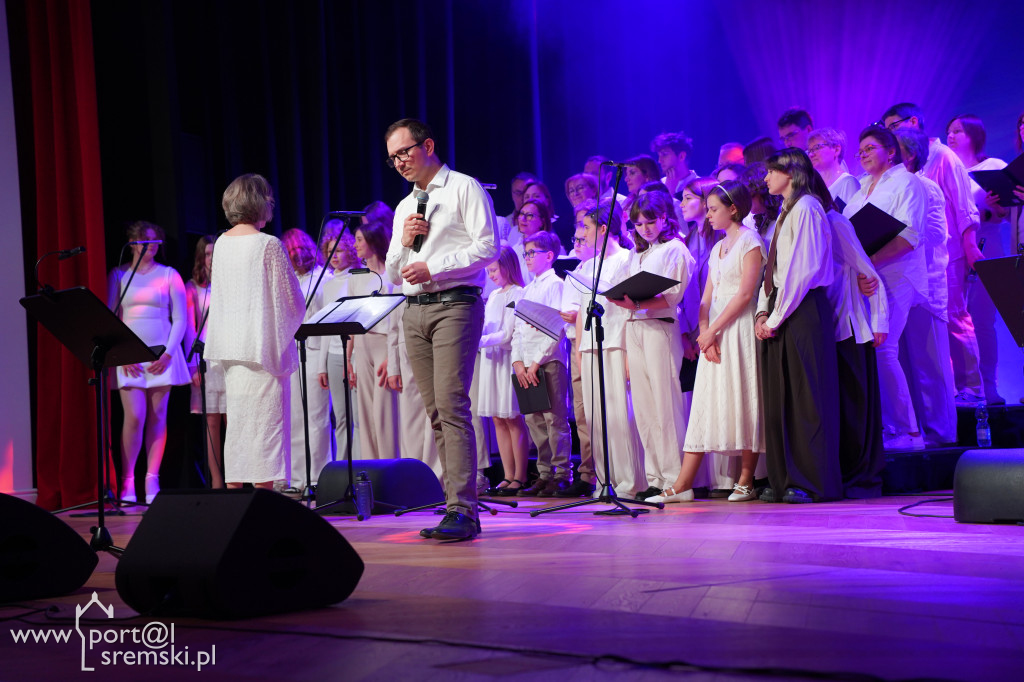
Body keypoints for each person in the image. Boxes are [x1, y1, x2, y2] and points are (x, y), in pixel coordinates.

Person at [384, 118, 498, 540]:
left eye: (405, 152)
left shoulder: (464, 187)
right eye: (392, 157)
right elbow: (394, 273)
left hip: (455, 305)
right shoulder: (404, 207)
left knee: (452, 404)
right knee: (435, 411)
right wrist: (407, 242)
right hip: (414, 311)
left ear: (427, 144)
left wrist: (434, 265)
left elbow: (489, 247)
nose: (399, 163)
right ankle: (454, 504)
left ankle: (464, 510)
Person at [648, 180, 765, 503]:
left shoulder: (750, 242)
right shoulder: (717, 248)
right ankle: (682, 483)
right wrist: (705, 332)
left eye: (714, 209)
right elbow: (705, 298)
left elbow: (745, 294)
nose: (709, 215)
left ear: (733, 209)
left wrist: (713, 330)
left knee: (744, 397)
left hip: (738, 328)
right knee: (704, 404)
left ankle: (746, 479)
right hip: (714, 331)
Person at [205, 174, 305, 490]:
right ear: (260, 202)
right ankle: (263, 508)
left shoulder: (221, 243)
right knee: (266, 432)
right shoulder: (267, 244)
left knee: (238, 431)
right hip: (262, 352)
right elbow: (290, 300)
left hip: (231, 350)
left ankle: (235, 503)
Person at [883, 103, 984, 405]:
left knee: (955, 316)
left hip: (949, 253)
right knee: (932, 327)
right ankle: (949, 390)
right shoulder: (903, 165)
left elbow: (964, 205)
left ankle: (973, 388)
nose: (889, 134)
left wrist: (970, 246)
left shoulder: (943, 156)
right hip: (918, 259)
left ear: (913, 121)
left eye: (892, 126)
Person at [755, 148, 840, 503]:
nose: (765, 179)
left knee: (806, 396)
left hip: (801, 309)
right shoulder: (786, 212)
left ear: (790, 173)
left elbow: (801, 271)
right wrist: (763, 311)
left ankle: (809, 480)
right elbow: (773, 271)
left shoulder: (806, 207)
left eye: (771, 172)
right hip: (782, 307)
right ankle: (782, 477)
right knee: (781, 397)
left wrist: (774, 316)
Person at [842, 127, 929, 451]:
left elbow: (909, 236)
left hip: (896, 273)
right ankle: (887, 427)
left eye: (870, 148)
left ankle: (908, 431)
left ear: (890, 151)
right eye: (860, 150)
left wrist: (871, 262)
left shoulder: (906, 181)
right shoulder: (861, 186)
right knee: (872, 349)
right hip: (868, 276)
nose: (863, 154)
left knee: (885, 347)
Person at [609, 191, 694, 500]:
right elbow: (617, 288)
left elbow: (672, 296)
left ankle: (677, 481)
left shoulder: (675, 249)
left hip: (660, 327)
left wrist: (637, 303)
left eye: (650, 222)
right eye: (638, 223)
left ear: (664, 219)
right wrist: (620, 298)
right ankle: (655, 477)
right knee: (644, 407)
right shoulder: (635, 253)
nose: (644, 229)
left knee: (664, 404)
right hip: (634, 326)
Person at [811, 172, 889, 498]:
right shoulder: (809, 225)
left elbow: (865, 269)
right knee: (841, 407)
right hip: (827, 326)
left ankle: (862, 476)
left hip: (850, 325)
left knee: (856, 407)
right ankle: (846, 473)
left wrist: (880, 320)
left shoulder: (835, 221)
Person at [107, 221, 190, 503]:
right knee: (134, 417)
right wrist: (122, 353)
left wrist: (168, 353)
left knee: (158, 417)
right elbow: (111, 315)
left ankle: (151, 479)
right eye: (145, 240)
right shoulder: (119, 275)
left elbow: (180, 318)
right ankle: (127, 481)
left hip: (162, 356)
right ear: (132, 243)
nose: (152, 245)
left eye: (156, 240)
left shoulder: (169, 275)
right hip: (129, 357)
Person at [572, 199, 646, 498]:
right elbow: (580, 312)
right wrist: (579, 350)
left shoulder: (628, 259)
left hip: (616, 343)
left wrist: (630, 352)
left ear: (604, 229)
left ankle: (628, 483)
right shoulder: (587, 265)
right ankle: (605, 480)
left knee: (620, 414)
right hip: (591, 347)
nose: (583, 234)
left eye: (587, 228)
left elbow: (630, 310)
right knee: (596, 416)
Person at [892, 127, 957, 447]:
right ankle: (914, 433)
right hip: (897, 286)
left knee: (930, 366)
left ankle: (942, 437)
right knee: (904, 365)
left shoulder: (926, 187)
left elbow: (933, 239)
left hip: (926, 285)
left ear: (911, 154)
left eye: (894, 150)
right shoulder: (890, 189)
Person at [947, 114, 1011, 405]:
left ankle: (990, 387)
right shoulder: (946, 170)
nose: (951, 136)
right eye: (949, 131)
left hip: (987, 248)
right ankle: (965, 387)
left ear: (974, 134)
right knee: (957, 322)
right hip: (952, 254)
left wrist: (995, 210)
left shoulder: (993, 166)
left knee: (983, 321)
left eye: (958, 131)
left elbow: (1008, 213)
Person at [513, 231, 573, 496]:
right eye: (524, 253)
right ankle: (544, 472)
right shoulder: (527, 289)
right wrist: (518, 362)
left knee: (554, 419)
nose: (526, 258)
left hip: (548, 362)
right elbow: (517, 329)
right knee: (534, 420)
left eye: (531, 253)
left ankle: (562, 473)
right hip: (526, 364)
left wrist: (536, 362)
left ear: (549, 256)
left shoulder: (555, 284)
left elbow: (555, 327)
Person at [281, 228, 333, 493]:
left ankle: (319, 478)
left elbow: (326, 324)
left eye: (300, 249)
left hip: (314, 354)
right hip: (293, 355)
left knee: (317, 418)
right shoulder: (290, 281)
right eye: (290, 252)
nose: (297, 256)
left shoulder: (323, 279)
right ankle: (299, 479)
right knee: (295, 419)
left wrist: (323, 364)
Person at [477, 246, 529, 495]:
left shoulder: (517, 294)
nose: (491, 274)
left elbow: (507, 334)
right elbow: (487, 327)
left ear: (508, 266)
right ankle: (507, 475)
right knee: (498, 418)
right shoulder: (495, 295)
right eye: (488, 270)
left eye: (494, 269)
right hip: (491, 360)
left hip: (507, 359)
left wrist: (478, 341)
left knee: (513, 417)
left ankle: (520, 475)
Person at [349, 221, 400, 461]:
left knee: (383, 412)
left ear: (373, 241)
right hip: (361, 343)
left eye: (360, 239)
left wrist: (392, 357)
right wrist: (349, 358)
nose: (355, 245)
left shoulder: (391, 275)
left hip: (382, 343)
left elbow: (396, 320)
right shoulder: (357, 277)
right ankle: (372, 470)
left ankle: (389, 466)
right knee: (365, 413)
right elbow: (350, 319)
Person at [183, 235, 225, 489]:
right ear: (201, 258)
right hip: (205, 356)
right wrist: (193, 365)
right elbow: (190, 328)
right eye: (207, 254)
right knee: (211, 420)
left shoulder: (229, 283)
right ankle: (217, 483)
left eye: (215, 253)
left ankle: (236, 480)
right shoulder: (193, 287)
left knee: (233, 419)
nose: (211, 259)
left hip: (227, 355)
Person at [316, 228, 361, 462]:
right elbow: (326, 328)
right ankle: (343, 467)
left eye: (340, 250)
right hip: (333, 355)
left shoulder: (357, 278)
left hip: (352, 355)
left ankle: (362, 467)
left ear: (350, 251)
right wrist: (322, 366)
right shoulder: (328, 285)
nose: (334, 255)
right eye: (329, 250)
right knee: (341, 416)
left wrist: (351, 359)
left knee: (358, 416)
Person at [807, 127, 860, 206]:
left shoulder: (848, 182)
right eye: (810, 151)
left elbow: (853, 217)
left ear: (836, 150)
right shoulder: (812, 185)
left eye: (817, 148)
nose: (811, 154)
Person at [651, 131, 697, 195]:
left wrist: (669, 193)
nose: (659, 160)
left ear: (681, 156)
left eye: (664, 154)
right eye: (659, 155)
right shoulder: (659, 185)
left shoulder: (700, 186)